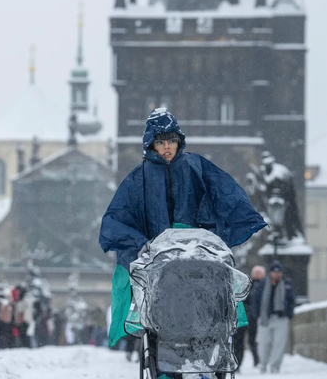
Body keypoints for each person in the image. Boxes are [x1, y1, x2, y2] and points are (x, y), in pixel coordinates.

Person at [99, 109, 265, 377]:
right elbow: (116, 221)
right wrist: (141, 244)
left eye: (171, 141)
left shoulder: (196, 167)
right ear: (151, 144)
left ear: (179, 141)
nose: (167, 148)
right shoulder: (137, 179)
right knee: (166, 319)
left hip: (198, 264)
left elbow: (224, 195)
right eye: (161, 142)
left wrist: (216, 234)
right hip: (160, 269)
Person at [251, 261, 295, 374]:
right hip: (265, 317)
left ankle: (275, 365)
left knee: (279, 344)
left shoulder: (286, 284)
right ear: (270, 272)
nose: (276, 274)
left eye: (278, 272)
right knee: (263, 342)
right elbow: (255, 300)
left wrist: (288, 313)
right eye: (274, 272)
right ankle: (263, 363)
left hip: (281, 317)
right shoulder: (263, 284)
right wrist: (257, 314)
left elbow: (291, 300)